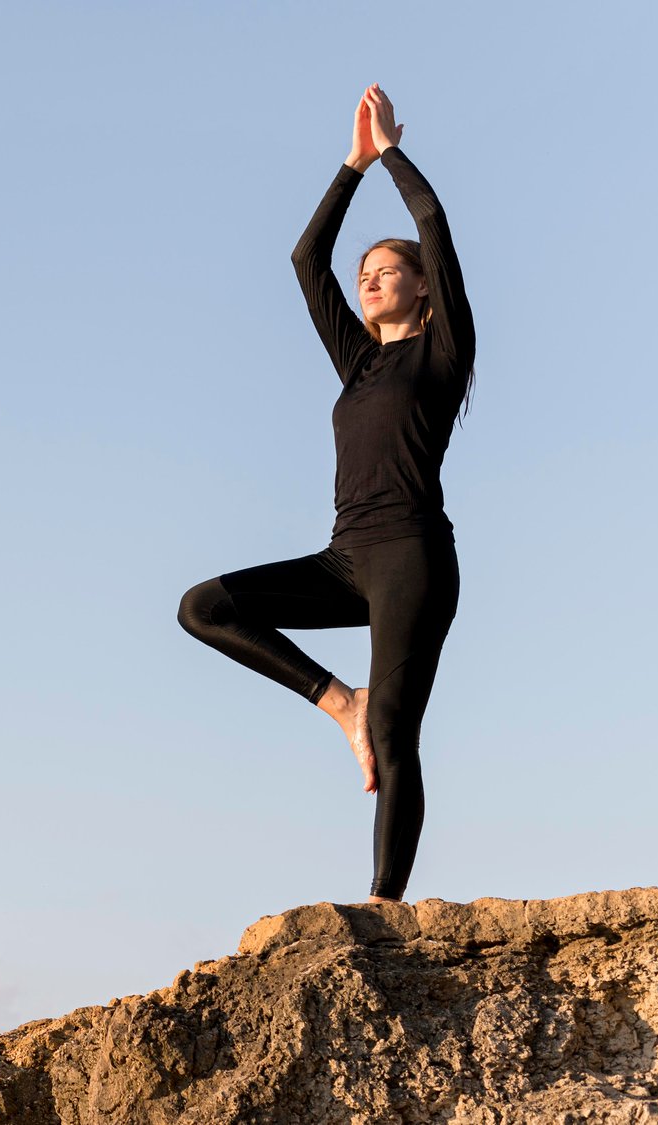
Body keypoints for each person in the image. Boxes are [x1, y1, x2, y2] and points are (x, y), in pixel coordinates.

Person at [175, 85, 476, 905]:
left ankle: (384, 904)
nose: (371, 279)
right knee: (204, 604)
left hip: (413, 556)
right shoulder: (360, 363)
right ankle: (340, 699)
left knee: (397, 733)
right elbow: (307, 260)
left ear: (421, 290)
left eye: (389, 272)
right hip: (346, 556)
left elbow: (436, 230)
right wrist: (351, 165)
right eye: (367, 273)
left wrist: (392, 154)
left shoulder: (441, 359)